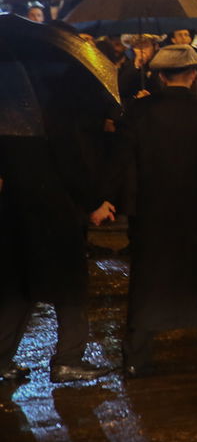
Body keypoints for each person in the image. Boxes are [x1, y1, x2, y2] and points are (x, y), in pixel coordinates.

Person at [114, 44, 197, 378]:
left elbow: (126, 163)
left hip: (154, 214)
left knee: (150, 282)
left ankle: (136, 356)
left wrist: (131, 208)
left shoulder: (138, 112)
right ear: (193, 73)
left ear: (159, 77)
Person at [0, 118, 113, 384]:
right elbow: (70, 164)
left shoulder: (10, 110)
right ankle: (68, 360)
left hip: (13, 210)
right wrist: (94, 203)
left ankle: (1, 359)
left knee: (19, 288)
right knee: (72, 286)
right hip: (53, 211)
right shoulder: (49, 112)